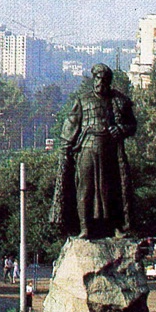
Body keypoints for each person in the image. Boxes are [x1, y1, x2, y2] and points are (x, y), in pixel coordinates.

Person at [51, 63, 137, 239]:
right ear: (94, 79)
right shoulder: (83, 101)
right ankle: (85, 227)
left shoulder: (119, 101)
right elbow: (70, 126)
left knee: (112, 189)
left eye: (104, 80)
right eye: (97, 79)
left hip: (110, 152)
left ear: (109, 82)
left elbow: (132, 125)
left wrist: (120, 129)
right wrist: (65, 150)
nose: (100, 83)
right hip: (87, 150)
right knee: (85, 189)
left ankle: (116, 226)